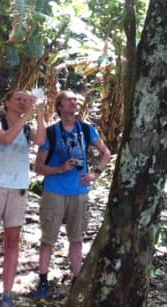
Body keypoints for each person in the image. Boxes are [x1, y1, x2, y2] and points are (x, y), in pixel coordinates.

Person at [34, 90, 111, 300]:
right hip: (54, 191)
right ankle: (42, 280)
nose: (74, 103)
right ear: (59, 106)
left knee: (76, 239)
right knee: (48, 239)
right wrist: (60, 168)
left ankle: (77, 281)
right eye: (69, 100)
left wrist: (95, 173)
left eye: (76, 100)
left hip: (79, 192)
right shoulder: (50, 133)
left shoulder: (86, 130)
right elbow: (38, 167)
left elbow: (106, 153)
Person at [0, 90, 45, 307]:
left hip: (18, 189)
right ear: (6, 103)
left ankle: (7, 294)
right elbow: (6, 139)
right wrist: (27, 114)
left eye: (26, 99)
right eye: (18, 99)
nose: (23, 102)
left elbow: (41, 140)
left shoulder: (28, 129)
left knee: (12, 241)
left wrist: (41, 113)